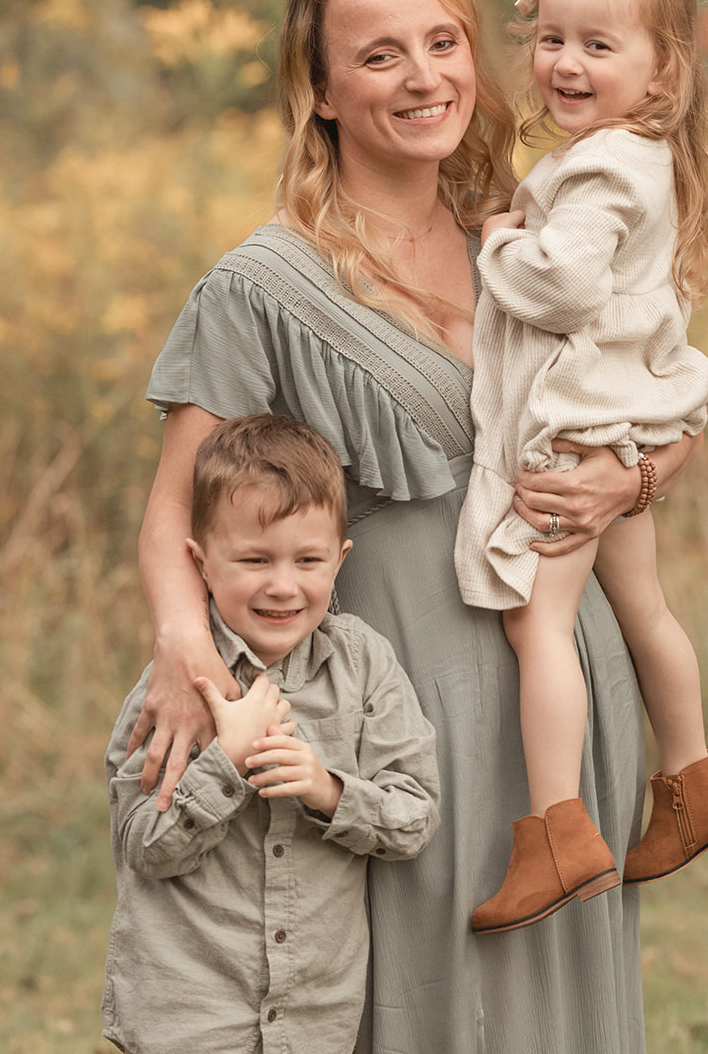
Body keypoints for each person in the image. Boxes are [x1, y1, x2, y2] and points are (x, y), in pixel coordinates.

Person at [129, 0, 702, 1054]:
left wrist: (634, 475)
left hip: (570, 677)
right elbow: (170, 516)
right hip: (395, 698)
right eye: (379, 56)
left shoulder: (533, 228)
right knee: (428, 999)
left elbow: (660, 401)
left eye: (443, 43)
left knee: (562, 997)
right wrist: (179, 648)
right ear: (323, 91)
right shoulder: (264, 283)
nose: (424, 76)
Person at [455, 0, 708, 935]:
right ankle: (692, 776)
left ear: (660, 68)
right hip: (628, 421)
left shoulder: (594, 175)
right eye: (548, 39)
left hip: (576, 424)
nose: (565, 64)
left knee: (533, 623)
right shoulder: (645, 157)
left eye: (596, 43)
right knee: (644, 609)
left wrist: (500, 240)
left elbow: (564, 285)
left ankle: (555, 826)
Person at [103, 413, 439, 1054]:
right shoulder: (177, 686)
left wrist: (327, 790)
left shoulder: (364, 667)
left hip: (316, 1012)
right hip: (188, 1010)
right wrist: (225, 765)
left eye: (307, 560)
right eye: (254, 560)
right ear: (202, 562)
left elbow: (414, 817)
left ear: (340, 560)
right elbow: (144, 848)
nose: (283, 585)